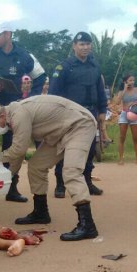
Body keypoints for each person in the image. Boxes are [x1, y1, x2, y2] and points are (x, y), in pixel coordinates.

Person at [0, 96, 99, 241]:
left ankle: (88, 226)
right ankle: (41, 212)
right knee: (36, 166)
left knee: (71, 171)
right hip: (58, 132)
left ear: (1, 116)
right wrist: (7, 176)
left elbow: (19, 148)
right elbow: (18, 154)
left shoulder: (18, 115)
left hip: (79, 125)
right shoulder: (13, 118)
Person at [0, 22, 47, 206]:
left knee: (13, 149)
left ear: (8, 34)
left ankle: (11, 188)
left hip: (15, 110)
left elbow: (40, 77)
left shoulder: (24, 55)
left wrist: (30, 98)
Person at [48, 31, 107, 199]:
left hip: (91, 113)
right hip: (70, 114)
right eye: (81, 44)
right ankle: (60, 184)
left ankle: (87, 182)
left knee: (89, 150)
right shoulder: (64, 66)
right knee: (65, 149)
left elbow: (100, 90)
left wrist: (102, 110)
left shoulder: (94, 66)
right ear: (74, 46)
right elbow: (54, 93)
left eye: (88, 44)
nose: (85, 47)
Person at [113, 74, 137, 165]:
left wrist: (136, 102)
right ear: (125, 82)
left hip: (135, 115)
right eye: (130, 80)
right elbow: (117, 102)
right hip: (124, 114)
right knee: (122, 137)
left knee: (136, 138)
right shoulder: (121, 92)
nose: (132, 82)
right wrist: (124, 90)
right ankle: (120, 159)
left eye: (133, 80)